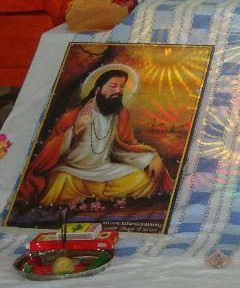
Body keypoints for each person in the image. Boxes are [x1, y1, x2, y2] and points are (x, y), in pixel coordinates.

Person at [18, 64, 173, 206]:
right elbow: (49, 151)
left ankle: (93, 198)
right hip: (73, 173)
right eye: (113, 86)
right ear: (98, 89)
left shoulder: (120, 116)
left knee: (143, 179)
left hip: (104, 170)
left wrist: (151, 158)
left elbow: (124, 148)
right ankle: (97, 198)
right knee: (58, 182)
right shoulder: (72, 116)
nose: (118, 91)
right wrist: (73, 131)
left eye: (121, 87)